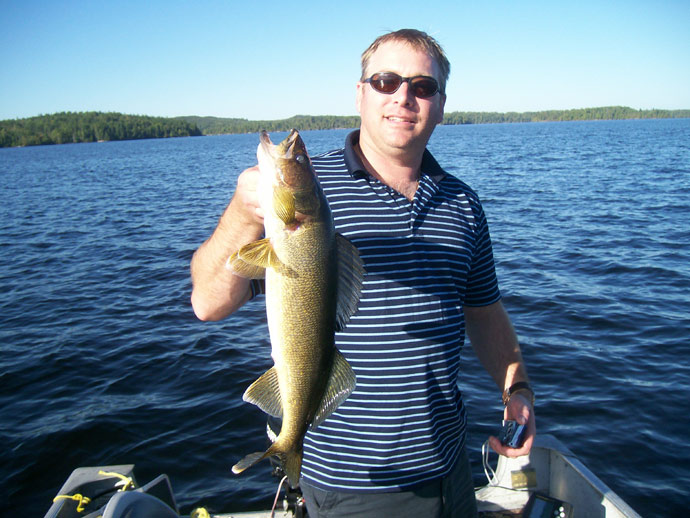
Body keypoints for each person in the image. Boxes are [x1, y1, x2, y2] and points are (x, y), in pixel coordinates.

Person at [191, 28, 536, 518]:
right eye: (385, 81)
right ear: (360, 94)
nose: (403, 97)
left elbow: (483, 311)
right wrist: (244, 214)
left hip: (449, 465)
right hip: (353, 485)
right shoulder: (313, 193)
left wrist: (516, 385)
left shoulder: (463, 204)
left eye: (423, 86)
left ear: (440, 104)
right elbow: (206, 303)